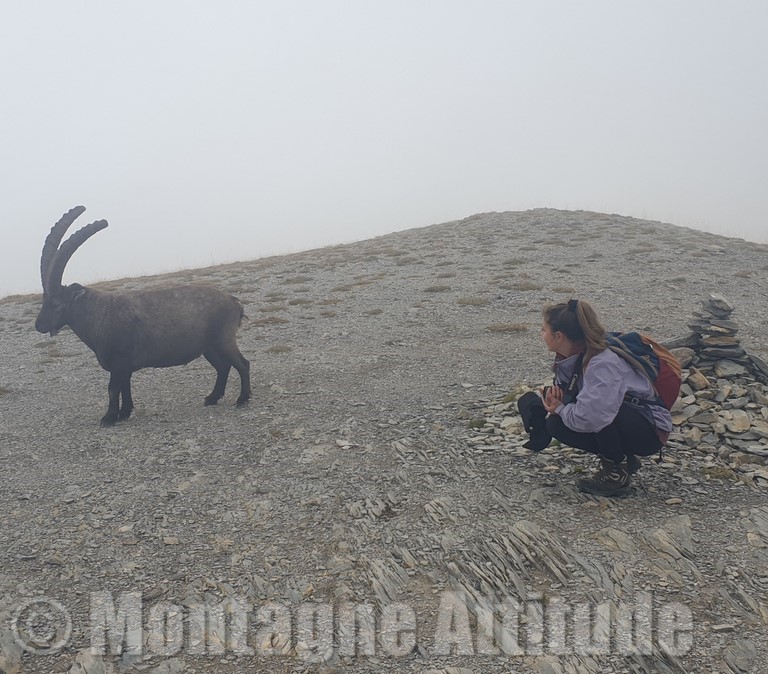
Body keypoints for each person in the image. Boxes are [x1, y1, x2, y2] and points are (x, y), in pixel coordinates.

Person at [520, 298, 673, 496]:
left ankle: (616, 474)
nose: (541, 334)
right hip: (629, 417)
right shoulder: (573, 356)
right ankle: (625, 460)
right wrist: (560, 398)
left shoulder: (602, 363)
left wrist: (560, 408)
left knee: (583, 416)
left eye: (543, 329)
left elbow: (591, 417)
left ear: (558, 336)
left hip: (649, 429)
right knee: (554, 421)